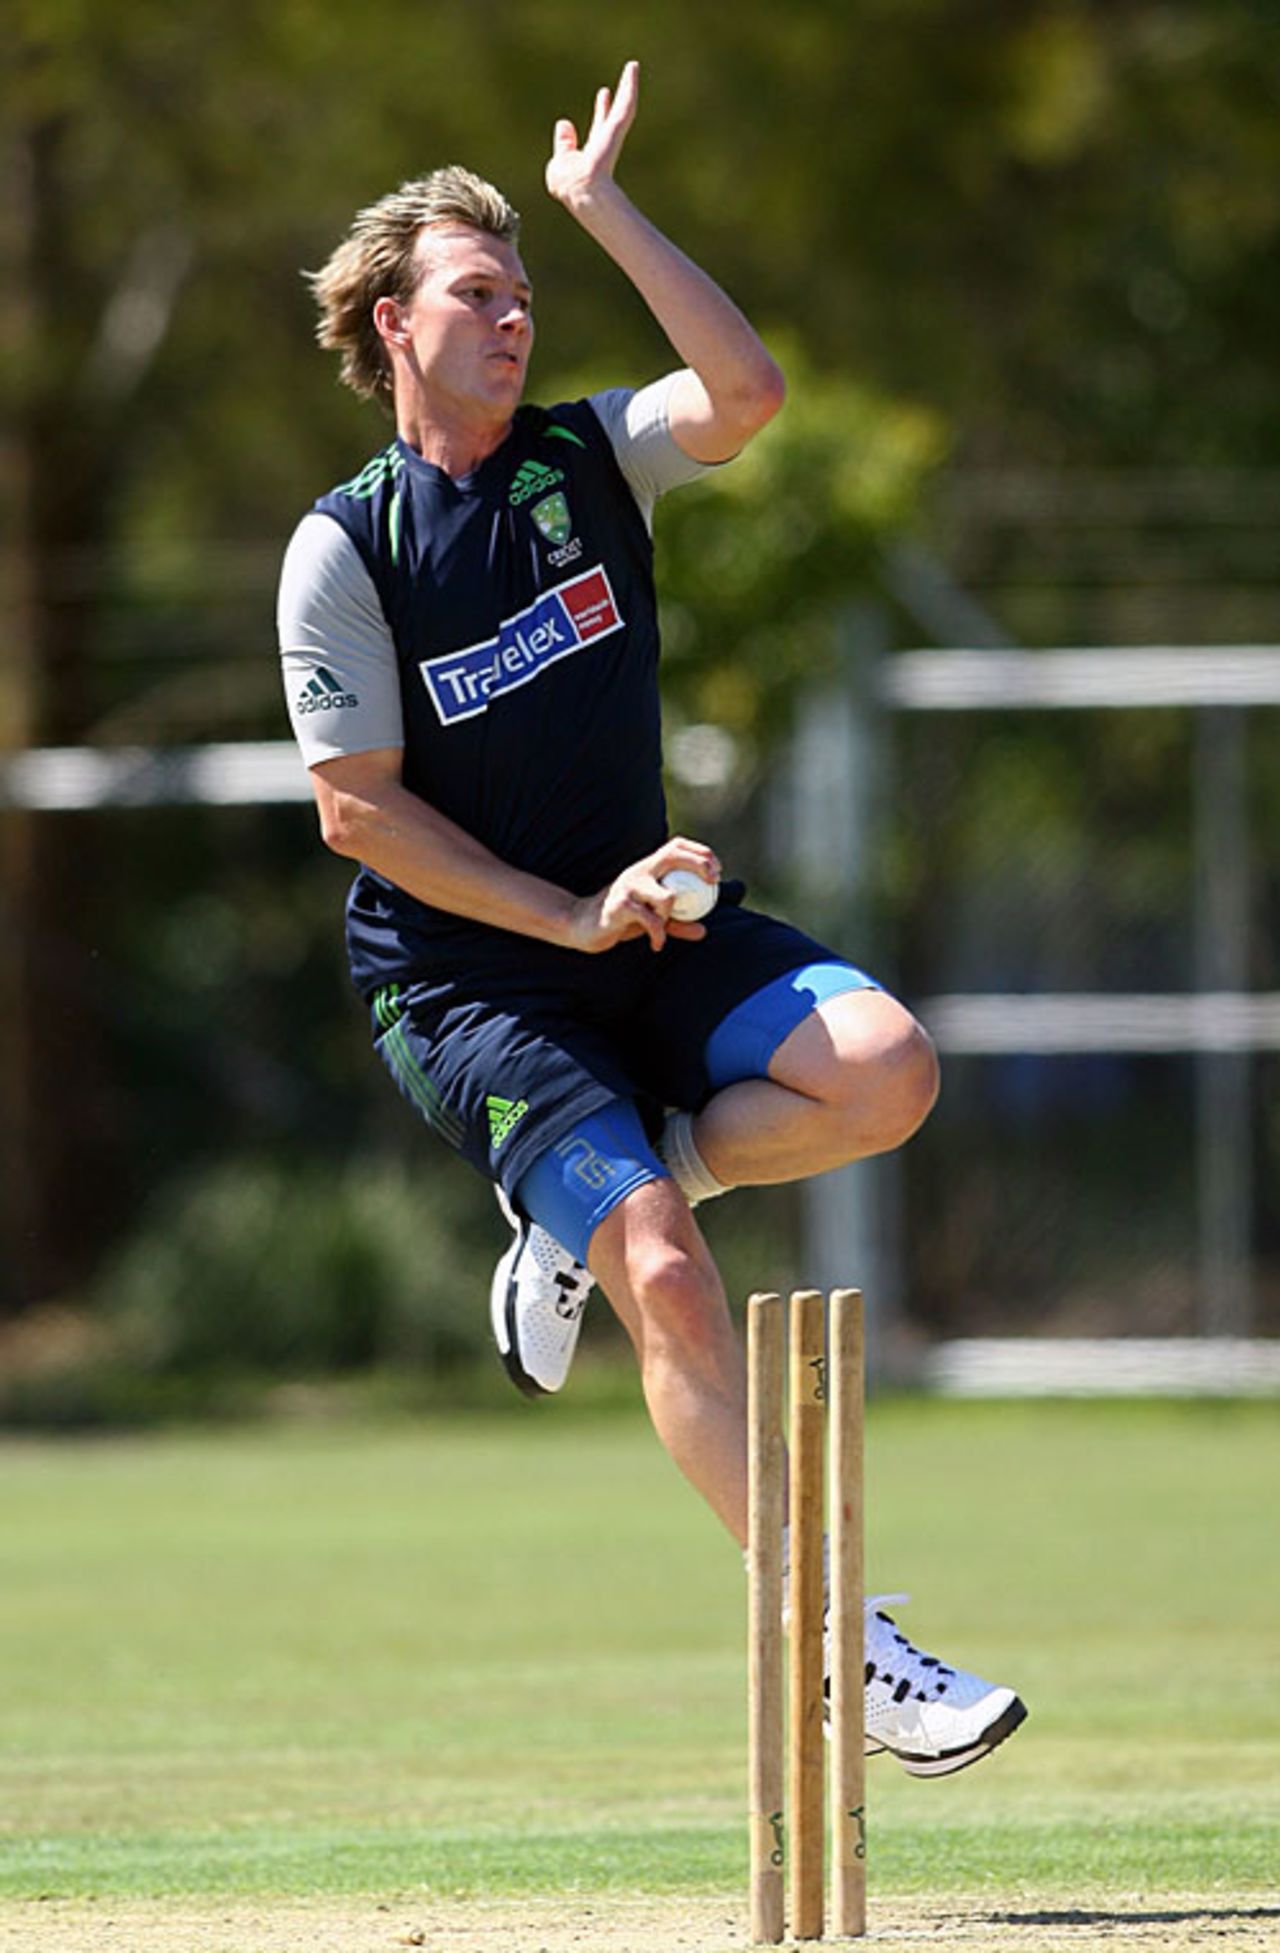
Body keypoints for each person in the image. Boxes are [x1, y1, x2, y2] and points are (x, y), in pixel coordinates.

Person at [277, 60, 1026, 1777]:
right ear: (393, 324)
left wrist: (603, 207)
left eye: (526, 291)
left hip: (645, 931)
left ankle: (595, 1201)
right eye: (480, 290)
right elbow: (356, 814)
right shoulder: (350, 547)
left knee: (886, 1070)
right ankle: (853, 1638)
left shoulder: (589, 454)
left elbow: (750, 391)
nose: (515, 315)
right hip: (473, 984)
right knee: (671, 1279)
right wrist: (560, 913)